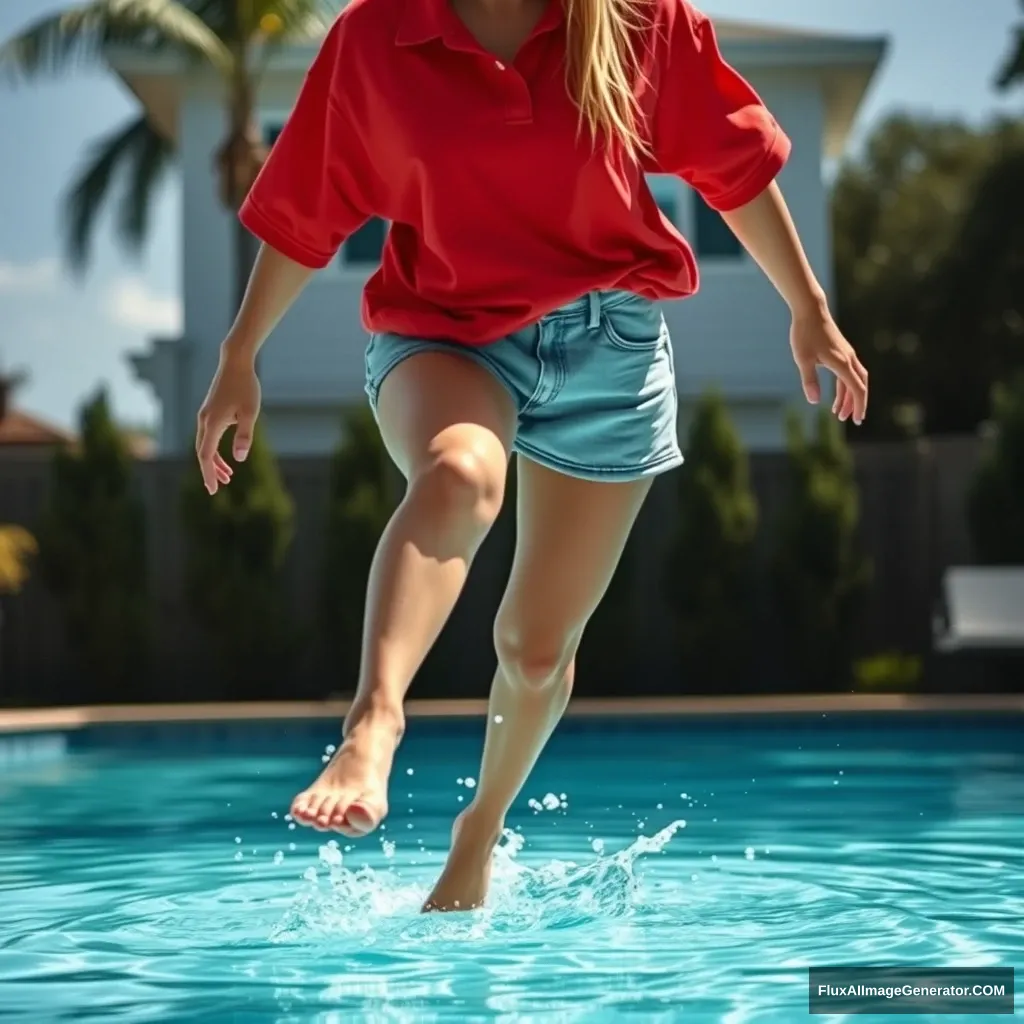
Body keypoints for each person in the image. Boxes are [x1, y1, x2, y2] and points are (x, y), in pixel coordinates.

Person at [194, 0, 868, 911]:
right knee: (462, 474)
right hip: (447, 334)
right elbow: (306, 203)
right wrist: (240, 354)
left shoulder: (635, 21)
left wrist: (809, 308)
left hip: (613, 351)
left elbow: (734, 161)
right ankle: (373, 721)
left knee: (537, 649)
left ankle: (481, 827)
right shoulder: (378, 35)